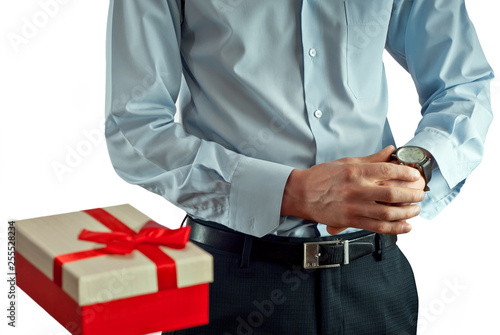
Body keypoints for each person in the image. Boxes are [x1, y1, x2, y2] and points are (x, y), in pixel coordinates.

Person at [104, 0, 493, 334]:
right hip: (227, 282)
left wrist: (411, 172)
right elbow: (133, 127)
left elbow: (463, 84)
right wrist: (291, 193)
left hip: (376, 281)